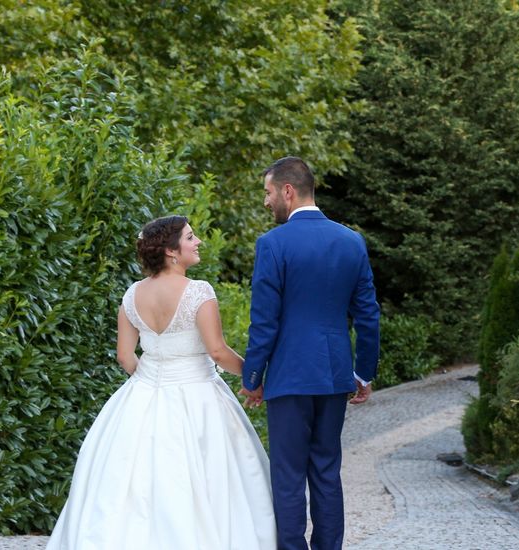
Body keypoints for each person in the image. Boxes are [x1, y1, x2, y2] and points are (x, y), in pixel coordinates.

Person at [46, 215, 276, 550]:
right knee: (212, 480)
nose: (198, 242)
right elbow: (217, 350)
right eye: (190, 237)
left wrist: (153, 377)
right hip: (199, 396)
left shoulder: (132, 295)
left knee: (133, 481)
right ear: (171, 251)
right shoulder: (199, 292)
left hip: (141, 395)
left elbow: (125, 357)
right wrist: (253, 379)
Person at [240, 157, 381, 550]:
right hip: (335, 375)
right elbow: (368, 315)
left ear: (288, 191)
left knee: (287, 475)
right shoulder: (351, 241)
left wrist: (252, 378)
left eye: (268, 193)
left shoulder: (273, 244)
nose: (267, 202)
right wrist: (363, 373)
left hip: (289, 376)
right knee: (326, 470)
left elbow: (264, 321)